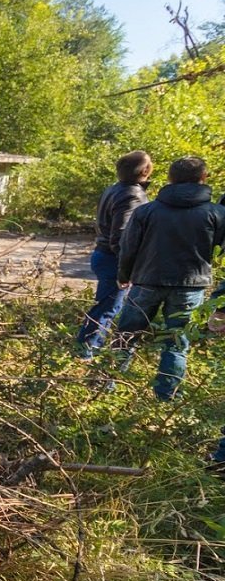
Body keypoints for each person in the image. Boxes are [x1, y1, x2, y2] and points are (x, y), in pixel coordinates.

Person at [114, 156, 225, 400]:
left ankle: (107, 386)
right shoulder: (217, 213)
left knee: (126, 336)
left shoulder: (146, 211)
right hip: (190, 286)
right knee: (176, 342)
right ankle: (166, 397)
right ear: (203, 178)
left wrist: (124, 275)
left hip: (146, 281)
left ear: (169, 178)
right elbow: (219, 249)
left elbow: (128, 247)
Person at [74, 151, 153, 359]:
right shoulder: (132, 195)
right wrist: (126, 267)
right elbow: (121, 235)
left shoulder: (115, 189)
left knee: (107, 305)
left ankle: (86, 350)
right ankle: (85, 353)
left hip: (104, 254)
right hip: (113, 259)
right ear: (145, 170)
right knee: (108, 308)